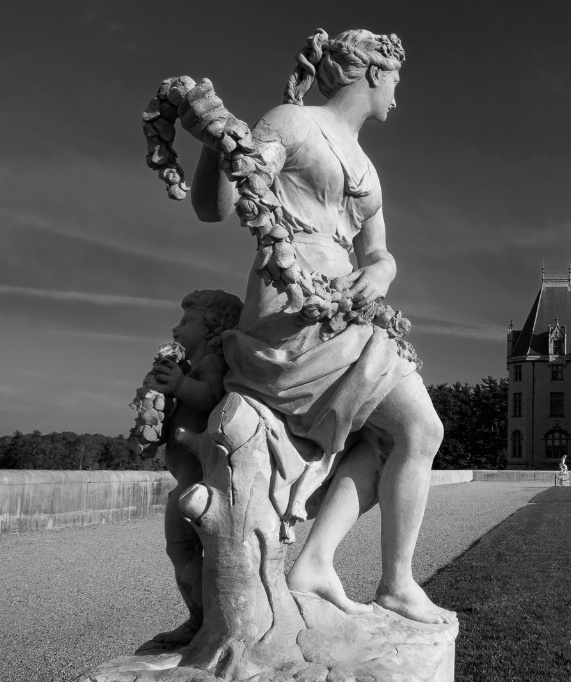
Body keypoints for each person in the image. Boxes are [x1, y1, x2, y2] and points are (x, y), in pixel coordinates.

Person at [182, 29, 452, 625]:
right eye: (397, 84)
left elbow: (379, 254)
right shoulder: (293, 123)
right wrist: (214, 143)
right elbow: (219, 206)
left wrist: (379, 275)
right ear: (375, 73)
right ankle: (395, 583)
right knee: (419, 431)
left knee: (401, 437)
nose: (398, 100)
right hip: (292, 307)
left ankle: (320, 563)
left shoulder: (367, 168)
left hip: (348, 315)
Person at [149, 289, 242, 644]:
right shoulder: (191, 365)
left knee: (190, 549)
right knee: (179, 549)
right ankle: (199, 618)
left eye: (186, 322)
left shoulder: (212, 363)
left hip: (201, 481)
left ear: (211, 327)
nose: (176, 329)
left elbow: (214, 398)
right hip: (185, 480)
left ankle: (206, 620)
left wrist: (179, 385)